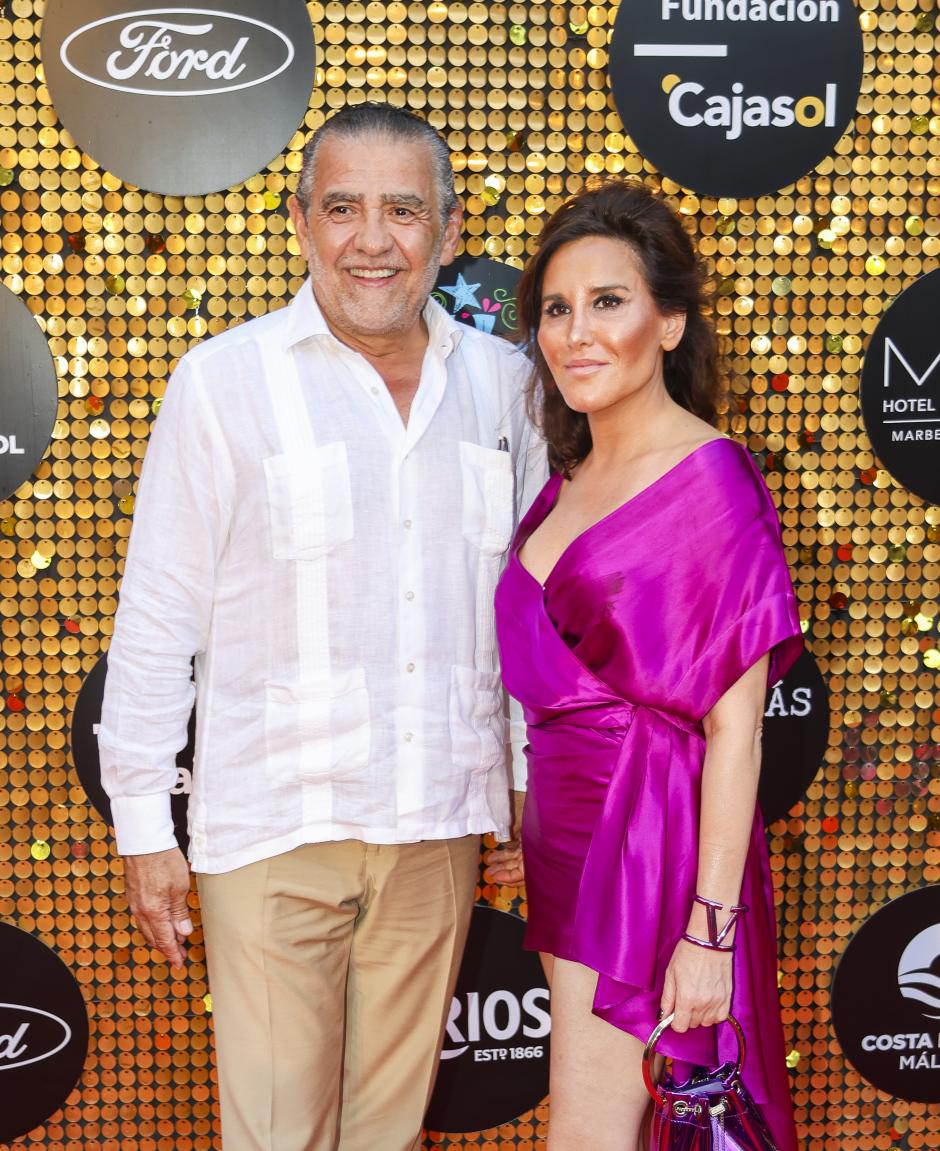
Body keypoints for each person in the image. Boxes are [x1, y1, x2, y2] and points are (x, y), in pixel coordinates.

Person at [98, 103, 543, 1151]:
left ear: (447, 223)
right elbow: (159, 609)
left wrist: (525, 771)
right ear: (301, 221)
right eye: (343, 208)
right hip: (270, 829)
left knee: (385, 1133)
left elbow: (525, 601)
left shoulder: (506, 386)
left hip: (434, 821)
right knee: (275, 1135)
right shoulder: (222, 384)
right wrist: (141, 826)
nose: (371, 240)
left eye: (402, 208)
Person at [488, 180, 803, 1151]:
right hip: (563, 849)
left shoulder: (711, 481)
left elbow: (734, 730)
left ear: (668, 323)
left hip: (648, 853)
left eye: (608, 301)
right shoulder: (564, 479)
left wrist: (709, 930)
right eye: (555, 307)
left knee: (585, 1130)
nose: (575, 332)